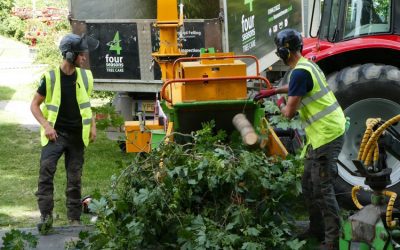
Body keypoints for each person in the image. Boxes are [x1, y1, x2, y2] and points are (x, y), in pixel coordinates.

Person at [254, 29, 346, 250]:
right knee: (308, 183)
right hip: (320, 134)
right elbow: (297, 87)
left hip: (327, 134)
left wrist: (277, 102)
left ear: (284, 52)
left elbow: (288, 114)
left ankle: (333, 240)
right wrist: (274, 90)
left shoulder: (299, 72)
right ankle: (316, 229)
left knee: (322, 187)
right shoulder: (306, 66)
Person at [30, 33, 97, 234]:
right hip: (55, 135)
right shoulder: (50, 78)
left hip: (77, 136)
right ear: (69, 55)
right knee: (46, 174)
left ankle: (74, 219)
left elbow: (87, 104)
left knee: (75, 177)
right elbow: (34, 105)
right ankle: (46, 216)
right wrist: (46, 126)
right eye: (81, 54)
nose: (84, 58)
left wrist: (92, 125)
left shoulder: (85, 77)